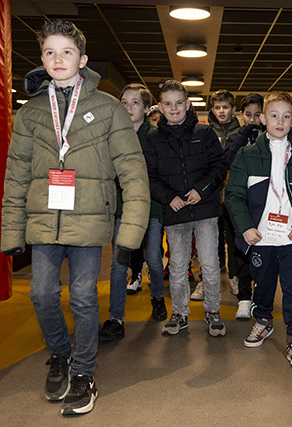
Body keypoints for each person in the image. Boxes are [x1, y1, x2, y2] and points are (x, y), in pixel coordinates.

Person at [1, 20, 150, 415]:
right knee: (41, 294)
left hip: (89, 219)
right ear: (42, 58)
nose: (58, 59)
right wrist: (11, 230)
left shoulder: (108, 108)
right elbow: (16, 174)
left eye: (66, 51)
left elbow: (133, 170)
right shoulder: (30, 113)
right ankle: (61, 354)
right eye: (50, 52)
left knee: (84, 296)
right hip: (44, 219)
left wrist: (131, 230)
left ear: (82, 59)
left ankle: (84, 372)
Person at [224, 91, 292, 366]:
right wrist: (246, 228)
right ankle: (263, 321)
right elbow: (234, 195)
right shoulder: (247, 155)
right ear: (263, 119)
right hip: (261, 237)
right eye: (274, 115)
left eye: (286, 116)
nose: (280, 121)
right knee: (263, 285)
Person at [142, 80, 228, 337]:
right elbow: (149, 176)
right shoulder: (153, 139)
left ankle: (213, 311)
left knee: (210, 265)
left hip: (206, 210)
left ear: (188, 104)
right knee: (178, 267)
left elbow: (219, 166)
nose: (174, 108)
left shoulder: (205, 133)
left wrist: (201, 190)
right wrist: (169, 198)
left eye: (179, 103)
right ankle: (179, 313)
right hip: (175, 212)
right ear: (160, 107)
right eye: (168, 104)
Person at [99, 83, 167, 342]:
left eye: (135, 102)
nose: (128, 107)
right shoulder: (113, 135)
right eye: (124, 102)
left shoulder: (156, 137)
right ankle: (116, 318)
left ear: (147, 108)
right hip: (122, 207)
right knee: (118, 264)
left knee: (153, 258)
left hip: (151, 207)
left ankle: (157, 297)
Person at [190, 89, 241, 300]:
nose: (221, 111)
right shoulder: (204, 131)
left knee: (234, 239)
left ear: (233, 109)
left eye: (225, 107)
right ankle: (205, 281)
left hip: (233, 193)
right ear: (212, 109)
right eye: (217, 107)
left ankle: (235, 278)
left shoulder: (240, 133)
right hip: (210, 194)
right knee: (208, 241)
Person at [223, 93, 264, 320]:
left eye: (257, 115)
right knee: (241, 249)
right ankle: (245, 297)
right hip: (238, 203)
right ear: (241, 115)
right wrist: (243, 135)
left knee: (264, 250)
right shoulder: (234, 137)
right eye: (248, 115)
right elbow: (227, 161)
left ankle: (262, 295)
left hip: (263, 203)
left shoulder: (270, 139)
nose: (253, 119)